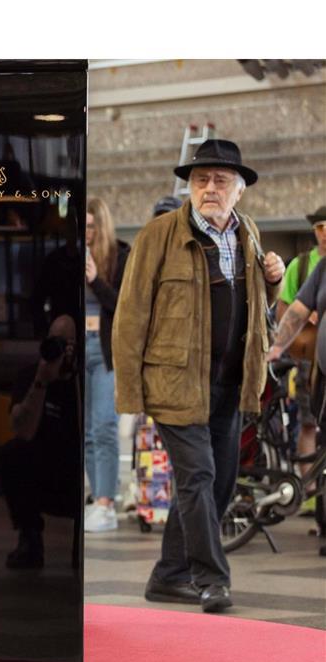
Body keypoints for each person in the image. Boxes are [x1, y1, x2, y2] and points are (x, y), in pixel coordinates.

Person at [114, 139, 285, 613]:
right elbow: (129, 316)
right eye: (201, 180)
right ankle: (211, 580)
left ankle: (168, 576)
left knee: (220, 483)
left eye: (221, 181)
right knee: (198, 476)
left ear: (239, 190)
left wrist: (271, 284)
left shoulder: (247, 233)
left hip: (229, 384)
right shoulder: (159, 235)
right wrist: (130, 393)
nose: (210, 188)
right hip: (174, 383)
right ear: (190, 186)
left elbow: (257, 315)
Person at [0, 316, 81, 568]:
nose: (60, 349)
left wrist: (72, 374)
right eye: (55, 342)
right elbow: (22, 431)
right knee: (13, 453)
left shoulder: (83, 380)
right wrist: (42, 381)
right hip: (42, 474)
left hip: (75, 475)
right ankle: (30, 538)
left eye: (67, 343)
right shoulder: (30, 375)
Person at [273, 205, 326, 516]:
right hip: (318, 371)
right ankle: (316, 505)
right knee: (313, 428)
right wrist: (277, 347)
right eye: (319, 227)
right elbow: (293, 310)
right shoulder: (314, 267)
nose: (325, 233)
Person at [83, 197, 130, 532]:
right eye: (81, 226)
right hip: (77, 349)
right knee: (85, 432)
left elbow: (124, 306)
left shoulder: (121, 255)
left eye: (90, 227)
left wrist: (96, 280)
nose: (85, 233)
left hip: (106, 350)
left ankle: (106, 503)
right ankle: (95, 495)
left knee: (104, 427)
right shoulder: (70, 253)